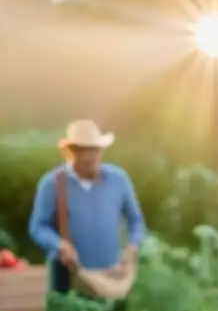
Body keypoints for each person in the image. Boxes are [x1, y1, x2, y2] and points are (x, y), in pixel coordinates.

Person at [28, 120, 146, 297]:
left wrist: (133, 245)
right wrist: (59, 245)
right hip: (68, 277)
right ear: (71, 153)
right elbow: (38, 227)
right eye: (84, 153)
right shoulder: (52, 184)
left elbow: (135, 219)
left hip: (111, 276)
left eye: (95, 151)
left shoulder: (118, 180)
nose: (91, 158)